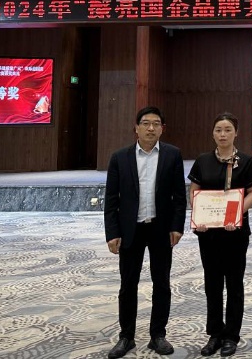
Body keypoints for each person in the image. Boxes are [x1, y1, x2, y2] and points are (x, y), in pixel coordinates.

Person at [104, 106, 186, 359]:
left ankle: (158, 335)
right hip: (131, 230)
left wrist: (177, 226)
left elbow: (179, 197)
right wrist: (112, 232)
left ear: (162, 128)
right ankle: (126, 336)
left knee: (162, 283)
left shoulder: (172, 155)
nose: (151, 128)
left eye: (156, 123)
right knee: (128, 285)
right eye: (146, 123)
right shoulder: (120, 157)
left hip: (161, 229)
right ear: (136, 128)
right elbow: (111, 200)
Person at [188, 112, 252, 357]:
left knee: (234, 284)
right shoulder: (203, 160)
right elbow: (195, 190)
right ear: (213, 133)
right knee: (212, 284)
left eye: (228, 130)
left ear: (236, 133)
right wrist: (198, 215)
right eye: (218, 130)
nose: (223, 134)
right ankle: (215, 334)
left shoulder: (246, 161)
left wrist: (237, 213)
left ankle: (231, 335)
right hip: (208, 233)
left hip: (235, 232)